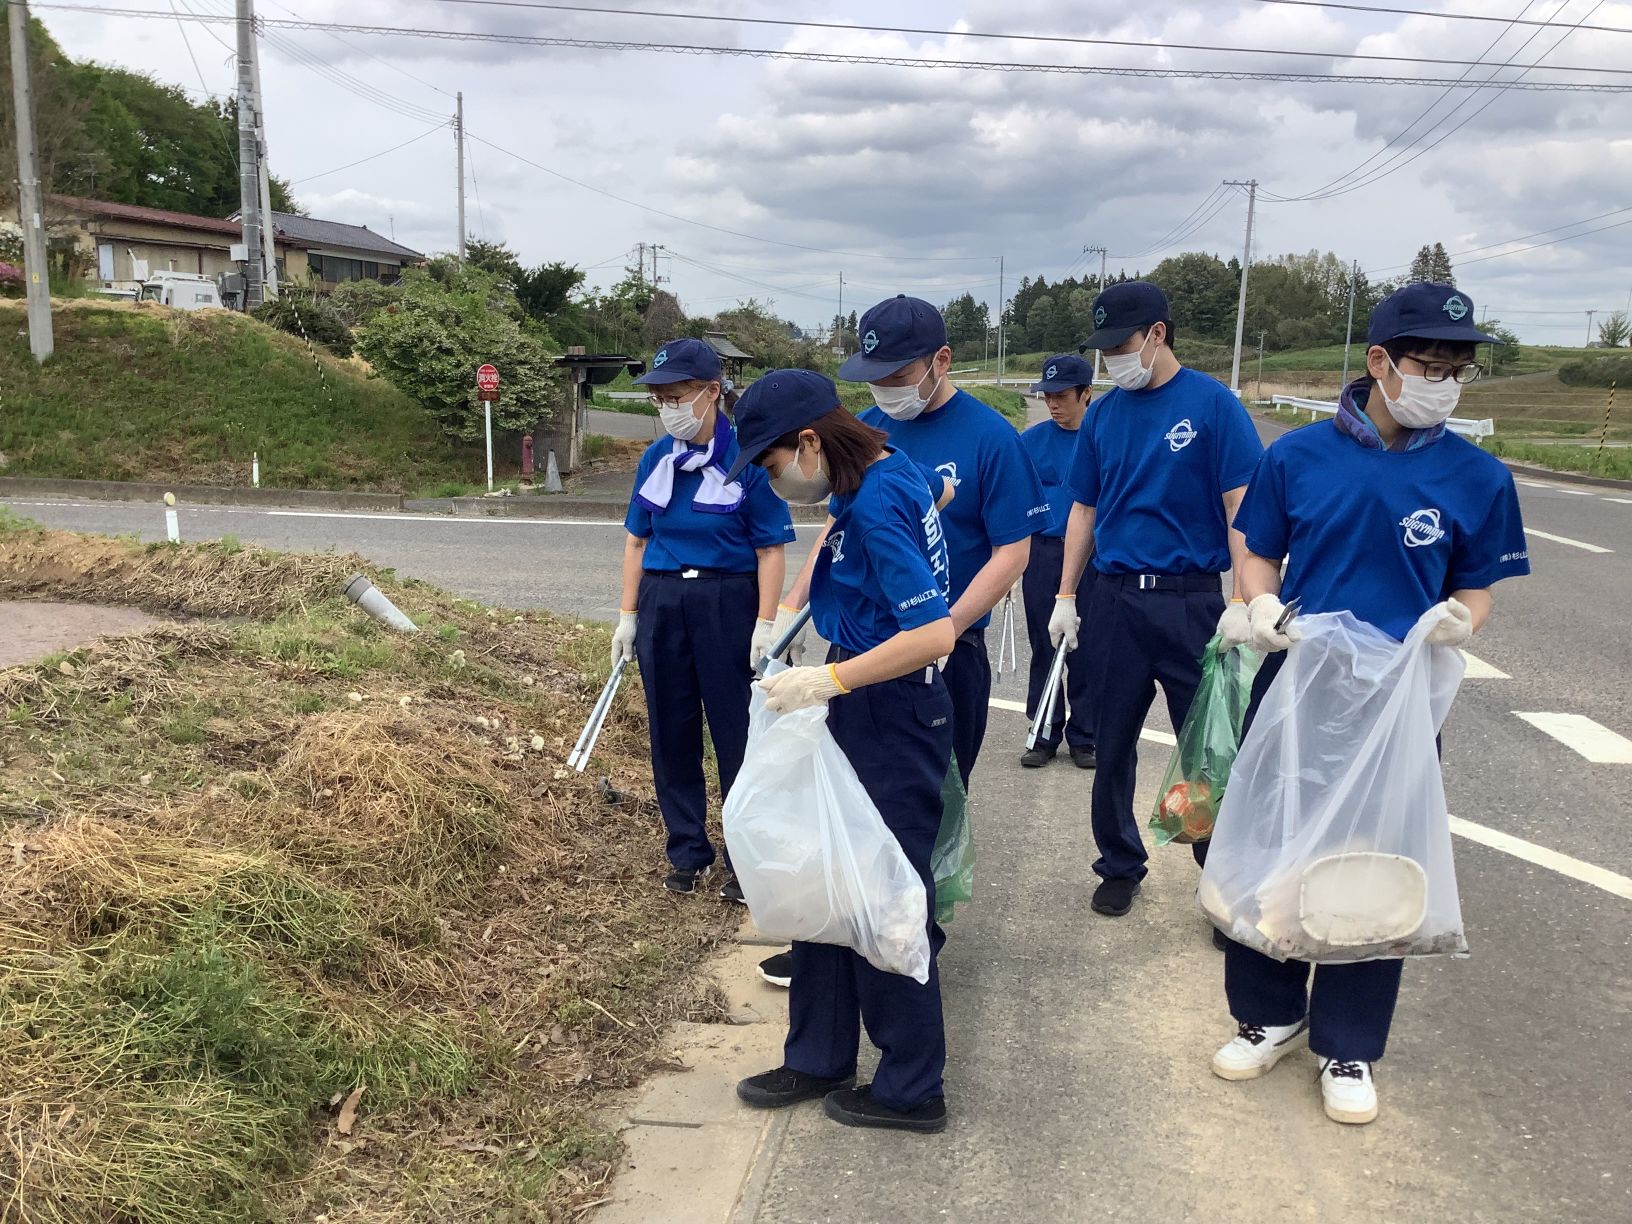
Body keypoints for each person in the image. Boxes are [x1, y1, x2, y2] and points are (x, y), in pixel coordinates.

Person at [1209, 281, 1529, 1125]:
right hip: (1299, 685)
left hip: (1400, 705)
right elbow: (1258, 553)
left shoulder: (1477, 476)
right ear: (1379, 360)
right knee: (1275, 845)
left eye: (1458, 369)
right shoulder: (1298, 457)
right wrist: (1260, 604)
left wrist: (1463, 620)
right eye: (1430, 364)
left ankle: (1348, 1042)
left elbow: (1476, 588)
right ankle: (1269, 1014)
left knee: (1377, 863)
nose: (1444, 382)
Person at [727, 369, 957, 1134]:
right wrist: (794, 623)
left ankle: (911, 1086)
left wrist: (828, 679)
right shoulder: (877, 478)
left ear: (809, 443)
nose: (775, 483)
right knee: (826, 873)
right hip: (860, 695)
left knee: (884, 893)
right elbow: (906, 516)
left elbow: (934, 632)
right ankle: (818, 1054)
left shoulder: (881, 500)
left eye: (772, 466)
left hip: (890, 708)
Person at [1050, 281, 1264, 922]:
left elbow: (1241, 506)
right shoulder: (1104, 417)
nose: (1112, 359)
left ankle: (1219, 876)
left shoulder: (1213, 405)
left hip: (1191, 600)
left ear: (1157, 335)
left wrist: (1243, 598)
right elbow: (1083, 509)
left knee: (1208, 746)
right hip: (1115, 599)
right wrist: (1065, 594)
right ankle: (1119, 863)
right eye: (1104, 350)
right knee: (1111, 743)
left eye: (1122, 345)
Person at [613, 338, 795, 900]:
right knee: (671, 730)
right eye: (660, 398)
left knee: (737, 731)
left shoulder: (748, 457)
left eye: (677, 395)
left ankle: (745, 857)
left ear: (713, 391)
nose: (668, 407)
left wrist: (766, 623)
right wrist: (627, 615)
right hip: (664, 598)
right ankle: (687, 849)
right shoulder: (657, 459)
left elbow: (770, 549)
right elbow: (636, 540)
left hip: (727, 600)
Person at [841, 294, 1048, 787]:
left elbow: (1012, 553)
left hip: (951, 647)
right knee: (857, 795)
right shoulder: (866, 430)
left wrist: (944, 630)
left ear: (942, 360)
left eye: (898, 375)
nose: (885, 390)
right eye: (874, 377)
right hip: (867, 643)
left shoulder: (991, 437)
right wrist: (791, 608)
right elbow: (838, 527)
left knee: (938, 800)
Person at [1018, 353, 1098, 770]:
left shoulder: (1101, 436)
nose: (1052, 403)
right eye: (1047, 395)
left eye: (1062, 396)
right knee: (1044, 642)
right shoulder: (1030, 442)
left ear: (1086, 394)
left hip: (1093, 554)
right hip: (1043, 551)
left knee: (1089, 644)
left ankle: (1086, 735)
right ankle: (1043, 731)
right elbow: (1013, 501)